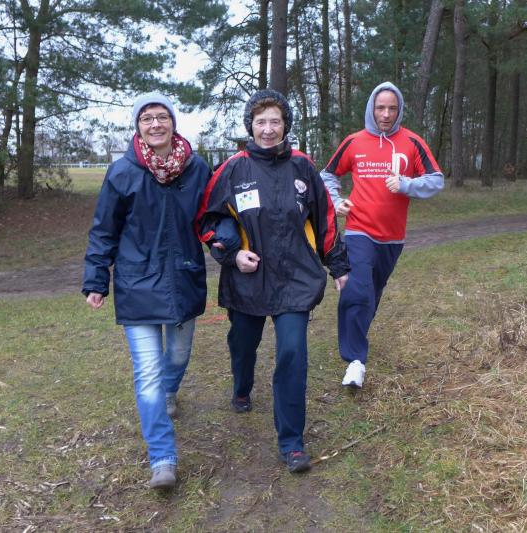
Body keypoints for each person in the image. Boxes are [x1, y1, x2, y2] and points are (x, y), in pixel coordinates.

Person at [82, 92, 237, 490]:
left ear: (173, 122)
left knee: (179, 355)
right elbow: (104, 230)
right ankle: (163, 459)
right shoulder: (122, 172)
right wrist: (96, 280)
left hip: (183, 279)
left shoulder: (196, 168)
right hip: (136, 284)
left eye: (161, 116)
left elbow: (213, 215)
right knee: (147, 374)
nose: (155, 124)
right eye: (147, 118)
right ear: (138, 126)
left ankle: (171, 391)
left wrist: (226, 242)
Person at [196, 89, 350, 473]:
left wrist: (339, 267)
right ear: (250, 125)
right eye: (261, 121)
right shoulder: (233, 169)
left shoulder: (303, 167)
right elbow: (206, 220)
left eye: (275, 122)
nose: (268, 129)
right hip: (248, 279)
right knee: (243, 344)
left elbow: (325, 220)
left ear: (286, 126)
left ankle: (292, 442)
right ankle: (242, 386)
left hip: (295, 279)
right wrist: (232, 255)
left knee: (292, 354)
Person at [320, 81, 444, 389]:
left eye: (391, 108)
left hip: (392, 238)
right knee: (357, 288)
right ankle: (354, 360)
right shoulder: (354, 142)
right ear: (371, 109)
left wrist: (406, 184)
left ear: (399, 110)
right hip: (359, 230)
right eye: (380, 108)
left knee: (371, 294)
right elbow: (327, 174)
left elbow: (436, 180)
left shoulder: (412, 142)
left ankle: (356, 337)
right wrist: (336, 200)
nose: (386, 114)